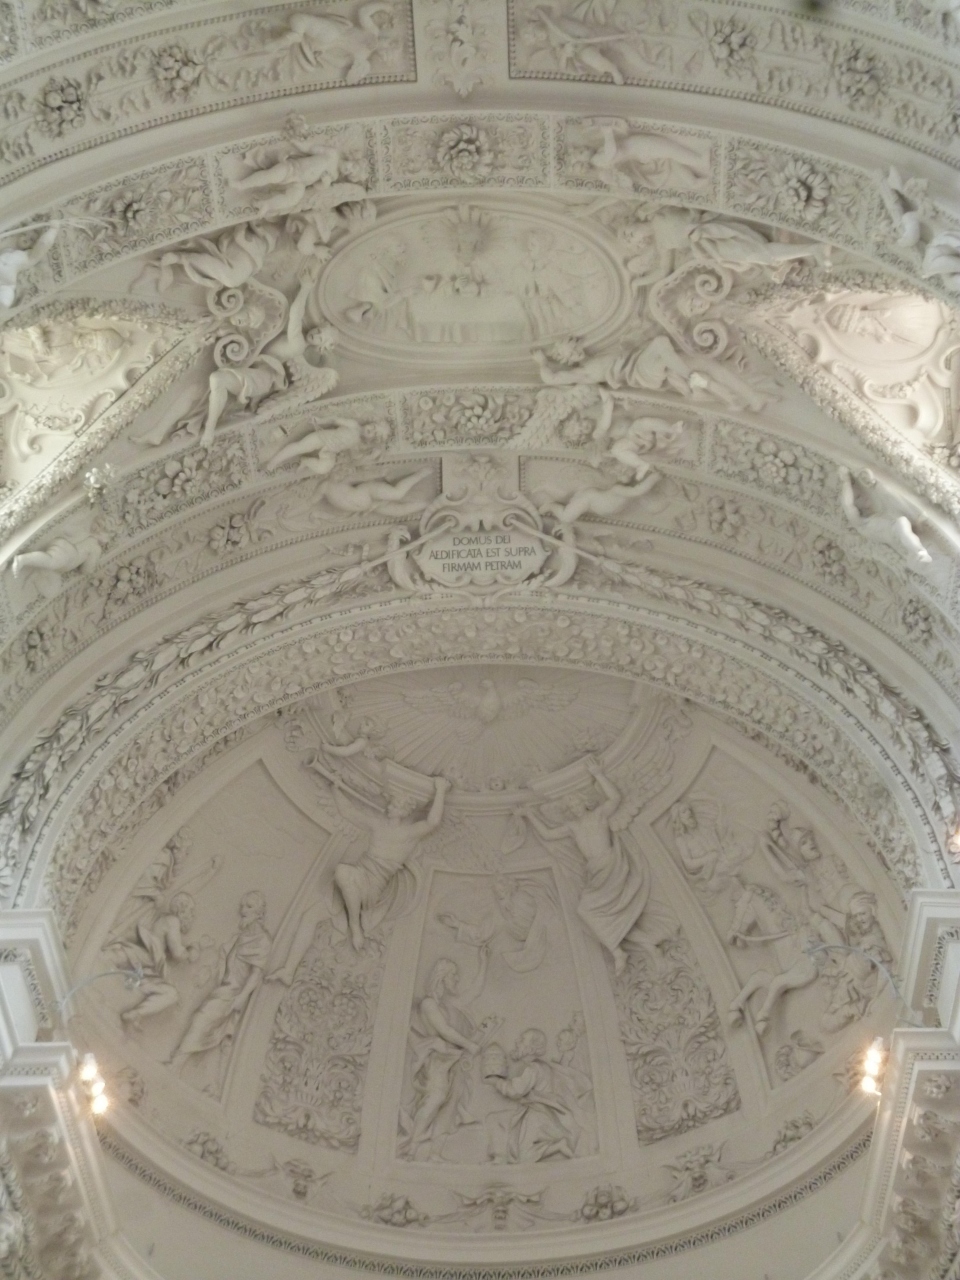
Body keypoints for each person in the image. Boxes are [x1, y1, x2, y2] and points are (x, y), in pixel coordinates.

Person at [522, 758, 647, 974]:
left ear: (584, 802)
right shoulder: (572, 826)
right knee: (585, 910)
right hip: (596, 872)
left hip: (611, 866)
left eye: (576, 803)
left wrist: (598, 773)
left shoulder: (599, 815)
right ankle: (617, 950)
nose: (574, 808)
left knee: (588, 909)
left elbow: (615, 798)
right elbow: (548, 834)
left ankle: (619, 950)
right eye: (570, 807)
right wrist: (529, 815)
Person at [400, 948, 491, 1159]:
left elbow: (475, 992)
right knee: (436, 1097)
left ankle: (433, 1152)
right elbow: (444, 1030)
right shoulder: (429, 1004)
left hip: (452, 1061)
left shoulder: (448, 1004)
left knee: (449, 1107)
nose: (456, 979)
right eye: (453, 975)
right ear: (442, 977)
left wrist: (484, 962)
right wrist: (469, 1045)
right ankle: (413, 1142)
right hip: (437, 1061)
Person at [168, 891, 271, 1074]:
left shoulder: (262, 941)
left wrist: (241, 998)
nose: (243, 910)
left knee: (202, 1019)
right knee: (210, 1027)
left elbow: (256, 974)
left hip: (233, 993)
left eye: (249, 907)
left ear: (259, 913)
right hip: (223, 989)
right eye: (242, 905)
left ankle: (177, 1063)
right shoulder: (239, 937)